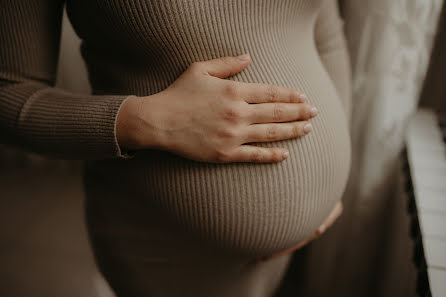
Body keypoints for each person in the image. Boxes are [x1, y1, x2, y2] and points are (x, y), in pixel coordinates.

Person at [0, 0, 352, 296]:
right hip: (168, 248)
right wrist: (152, 120)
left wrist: (330, 177)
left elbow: (327, 30)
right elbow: (9, 93)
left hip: (284, 250)